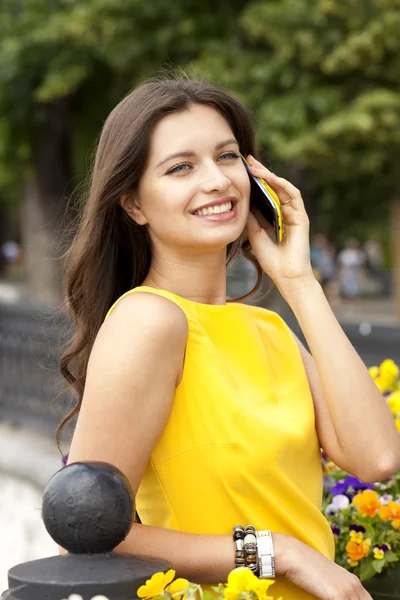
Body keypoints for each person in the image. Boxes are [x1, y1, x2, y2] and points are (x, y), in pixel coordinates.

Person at [58, 77, 400, 600]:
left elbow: (376, 458)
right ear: (134, 205)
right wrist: (277, 552)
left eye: (227, 156)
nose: (216, 180)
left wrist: (299, 283)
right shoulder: (148, 322)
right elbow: (87, 534)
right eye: (181, 167)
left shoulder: (267, 328)